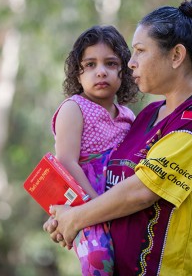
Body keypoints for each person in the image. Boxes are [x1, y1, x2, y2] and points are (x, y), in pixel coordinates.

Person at [45, 0, 192, 276]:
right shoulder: (147, 115)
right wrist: (66, 218)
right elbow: (107, 186)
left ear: (176, 56)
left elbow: (142, 190)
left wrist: (77, 217)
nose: (130, 63)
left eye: (140, 51)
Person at [51, 25, 139, 275]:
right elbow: (66, 162)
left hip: (120, 201)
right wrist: (97, 207)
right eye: (90, 65)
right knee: (99, 260)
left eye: (110, 64)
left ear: (124, 71)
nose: (100, 72)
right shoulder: (73, 108)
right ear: (77, 75)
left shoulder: (128, 116)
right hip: (86, 201)